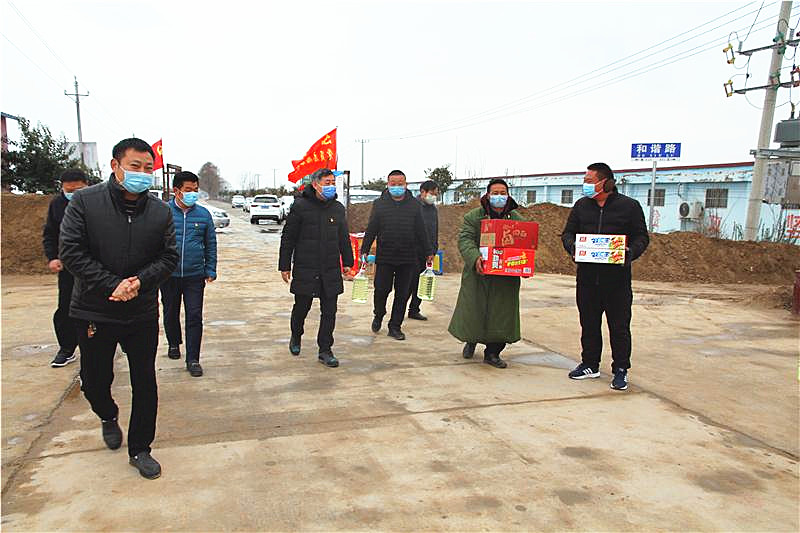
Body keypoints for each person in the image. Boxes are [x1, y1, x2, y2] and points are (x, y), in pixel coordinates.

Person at [59, 138, 178, 479]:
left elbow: (168, 256)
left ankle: (141, 448)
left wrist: (138, 282)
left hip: (140, 310)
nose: (142, 174)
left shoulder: (159, 211)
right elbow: (71, 251)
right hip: (95, 309)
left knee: (145, 381)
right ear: (115, 166)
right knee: (94, 380)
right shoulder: (84, 201)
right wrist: (112, 284)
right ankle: (107, 413)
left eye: (147, 168)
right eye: (135, 166)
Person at [560, 162, 649, 391]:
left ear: (606, 182)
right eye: (585, 181)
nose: (585, 185)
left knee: (619, 327)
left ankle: (620, 369)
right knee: (588, 323)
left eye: (589, 181)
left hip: (617, 281)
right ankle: (590, 364)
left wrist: (630, 253)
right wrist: (573, 248)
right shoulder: (581, 206)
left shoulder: (629, 207)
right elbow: (568, 233)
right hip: (587, 279)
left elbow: (642, 237)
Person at [279, 168, 353, 368]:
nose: (330, 186)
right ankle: (296, 335)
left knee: (329, 311)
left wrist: (348, 262)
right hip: (306, 267)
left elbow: (343, 237)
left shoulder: (337, 208)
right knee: (302, 307)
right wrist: (284, 265)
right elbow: (288, 238)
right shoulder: (300, 206)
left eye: (332, 182)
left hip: (330, 268)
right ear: (315, 184)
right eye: (326, 182)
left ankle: (325, 349)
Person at [448, 179, 525, 369]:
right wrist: (475, 258)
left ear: (508, 194)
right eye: (495, 192)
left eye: (502, 192)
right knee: (474, 311)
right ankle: (471, 340)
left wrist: (524, 265)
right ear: (488, 195)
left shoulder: (517, 219)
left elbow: (525, 245)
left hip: (505, 278)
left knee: (501, 315)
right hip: (479, 274)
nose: (499, 196)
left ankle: (493, 352)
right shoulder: (474, 217)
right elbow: (465, 240)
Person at [360, 170, 433, 341]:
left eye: (400, 183)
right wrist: (365, 249)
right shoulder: (379, 204)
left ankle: (395, 326)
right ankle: (378, 314)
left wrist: (428, 251)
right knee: (381, 290)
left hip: (408, 257)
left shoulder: (414, 206)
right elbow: (372, 228)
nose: (397, 187)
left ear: (406, 185)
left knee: (402, 294)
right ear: (388, 185)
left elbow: (421, 230)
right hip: (385, 256)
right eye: (393, 184)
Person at [160, 171, 217, 377]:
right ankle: (174, 343)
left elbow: (210, 244)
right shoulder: (163, 212)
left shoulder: (203, 215)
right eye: (188, 190)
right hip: (168, 274)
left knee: (194, 315)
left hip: (195, 275)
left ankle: (193, 359)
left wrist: (210, 268)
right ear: (177, 191)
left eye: (195, 190)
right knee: (170, 312)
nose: (192, 194)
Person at [42, 168, 89, 367]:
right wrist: (53, 257)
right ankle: (67, 348)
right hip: (69, 267)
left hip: (96, 268)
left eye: (78, 190)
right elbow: (50, 233)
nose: (73, 194)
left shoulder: (97, 203)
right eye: (69, 190)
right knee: (66, 308)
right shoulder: (57, 205)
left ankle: (99, 348)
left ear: (86, 186)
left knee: (99, 309)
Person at [407, 180, 439, 321]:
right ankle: (400, 309)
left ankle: (414, 309)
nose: (434, 196)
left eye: (436, 194)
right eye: (432, 193)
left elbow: (434, 230)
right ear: (423, 192)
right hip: (413, 251)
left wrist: (433, 249)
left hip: (428, 253)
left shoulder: (433, 209)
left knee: (423, 282)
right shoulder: (413, 206)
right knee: (409, 283)